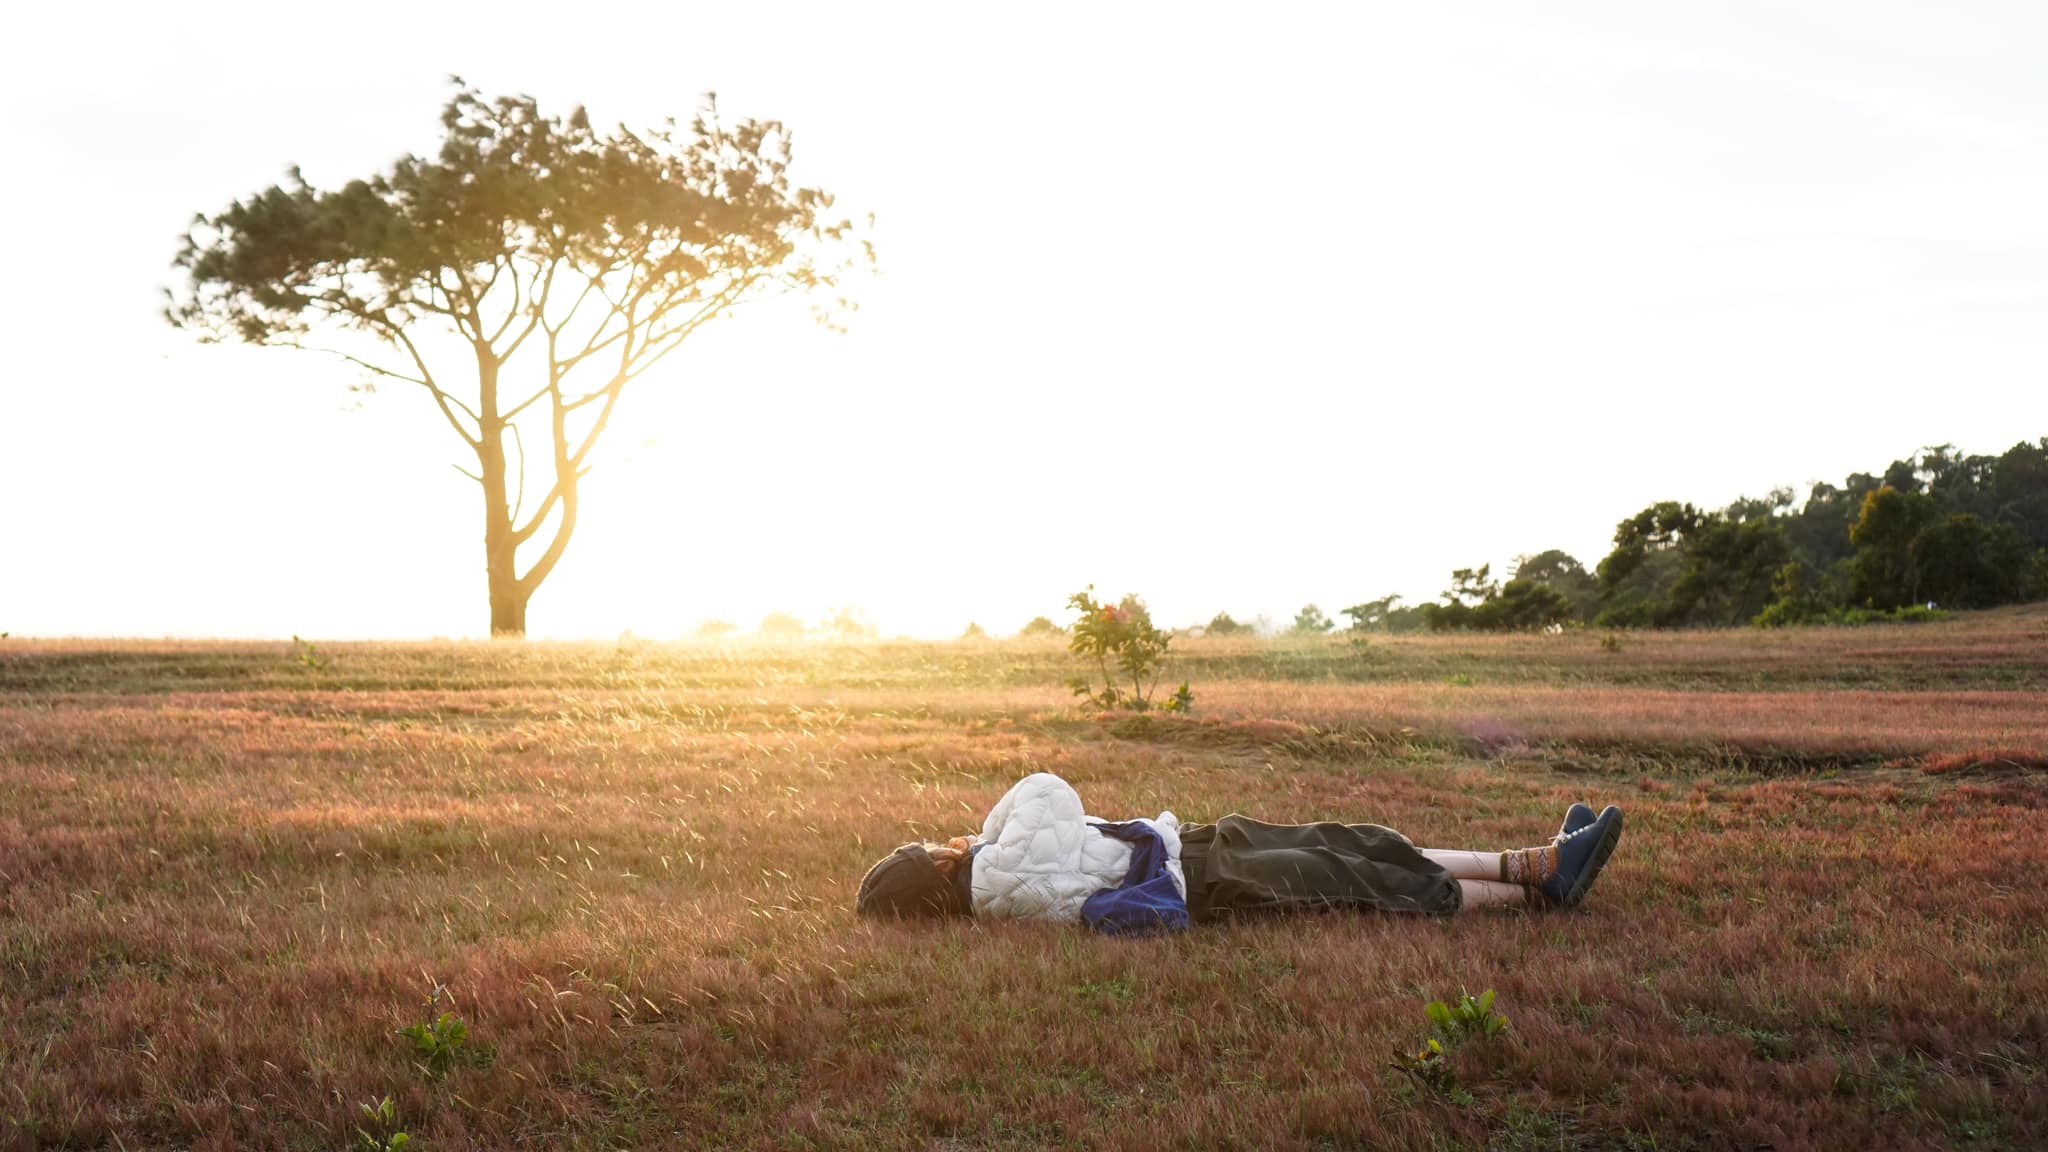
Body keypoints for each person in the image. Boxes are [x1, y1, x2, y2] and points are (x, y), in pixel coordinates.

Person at [855, 772, 1623, 934]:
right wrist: (980, 835)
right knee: (1352, 874)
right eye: (928, 847)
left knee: (1351, 843)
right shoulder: (994, 872)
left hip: (1190, 848)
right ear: (934, 867)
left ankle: (1534, 860)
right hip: (1203, 877)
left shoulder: (995, 884)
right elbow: (1047, 787)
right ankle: (1541, 887)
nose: (939, 841)